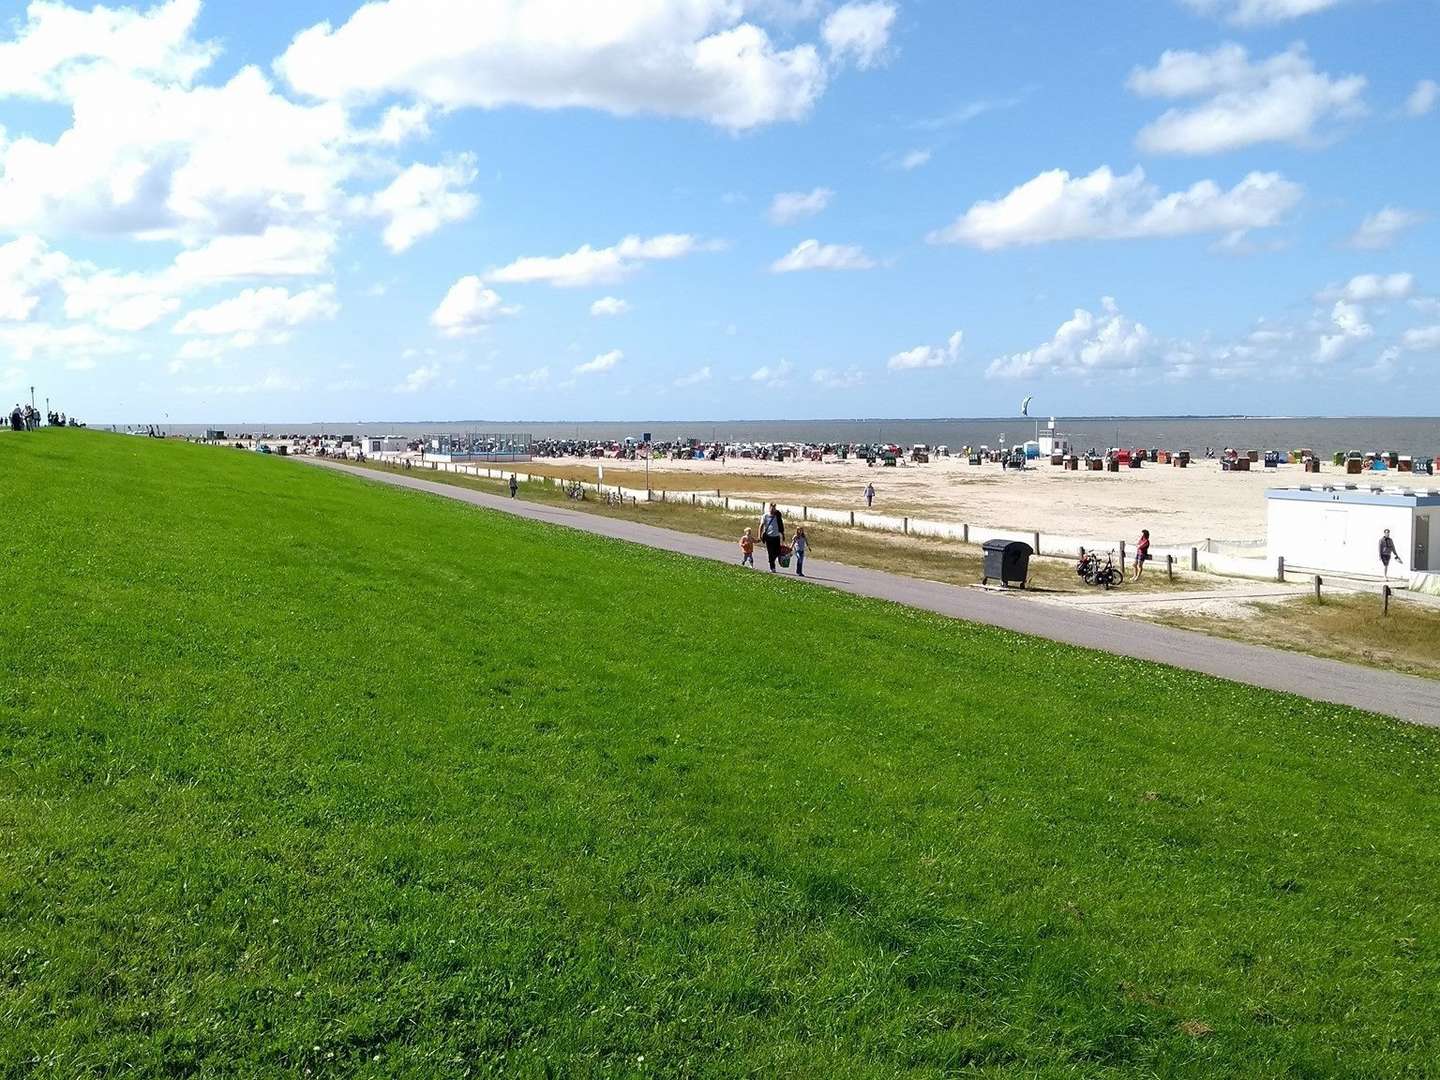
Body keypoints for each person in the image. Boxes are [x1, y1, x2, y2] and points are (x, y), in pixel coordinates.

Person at [760, 502, 785, 572]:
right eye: (772, 507)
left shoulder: (777, 515)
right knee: (770, 552)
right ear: (769, 508)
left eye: (774, 507)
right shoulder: (765, 516)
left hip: (776, 537)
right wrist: (759, 535)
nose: (773, 509)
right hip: (768, 537)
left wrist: (783, 534)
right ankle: (772, 567)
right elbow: (761, 526)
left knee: (778, 551)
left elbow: (781, 525)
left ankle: (772, 560)